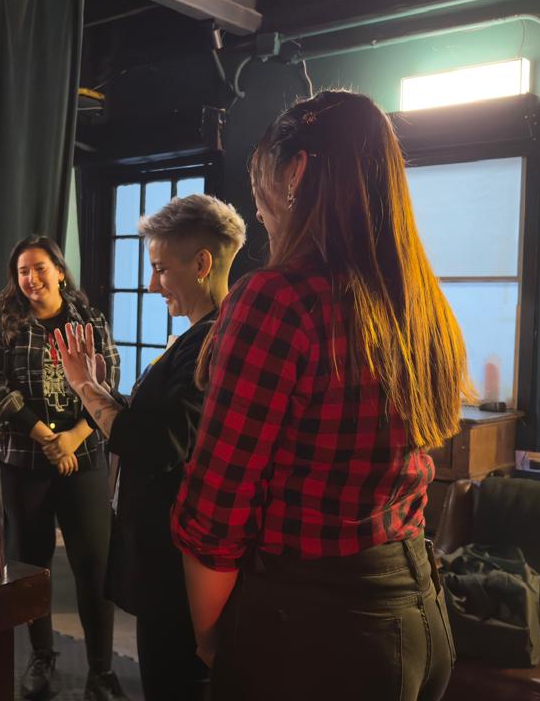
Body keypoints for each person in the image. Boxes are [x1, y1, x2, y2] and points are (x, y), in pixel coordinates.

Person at [171, 91, 467, 701]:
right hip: (416, 612)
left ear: (295, 173)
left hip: (314, 629)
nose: (262, 214)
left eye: (259, 191)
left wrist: (212, 639)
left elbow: (217, 506)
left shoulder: (278, 298)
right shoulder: (422, 304)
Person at [54, 194, 245, 701]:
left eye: (160, 269)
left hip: (180, 565)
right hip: (167, 557)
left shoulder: (214, 343)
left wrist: (86, 390)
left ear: (201, 264)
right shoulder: (198, 336)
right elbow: (158, 425)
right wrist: (101, 392)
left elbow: (159, 444)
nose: (151, 285)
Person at [0, 236, 126, 701]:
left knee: (94, 564)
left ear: (60, 271)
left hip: (83, 455)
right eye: (23, 271)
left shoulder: (91, 320)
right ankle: (41, 657)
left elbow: (110, 380)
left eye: (39, 268)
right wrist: (48, 438)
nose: (31, 278)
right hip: (25, 460)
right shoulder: (4, 323)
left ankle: (101, 671)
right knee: (32, 564)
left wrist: (74, 437)